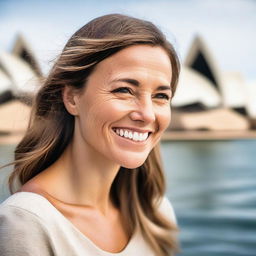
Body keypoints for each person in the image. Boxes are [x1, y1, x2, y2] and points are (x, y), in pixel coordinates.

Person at [0, 14, 180, 256]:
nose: (147, 115)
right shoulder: (26, 222)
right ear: (72, 98)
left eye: (161, 96)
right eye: (124, 90)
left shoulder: (157, 213)